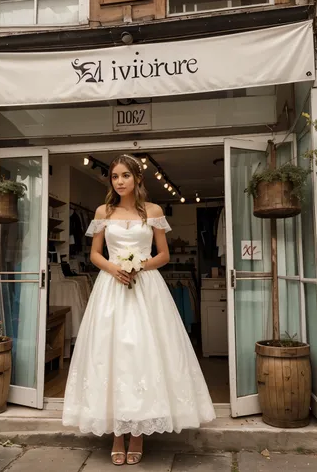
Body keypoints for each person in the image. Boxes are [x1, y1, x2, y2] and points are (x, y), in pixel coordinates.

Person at [62, 154, 215, 466]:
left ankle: (137, 435)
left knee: (143, 357)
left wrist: (138, 266)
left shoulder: (154, 211)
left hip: (146, 288)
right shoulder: (103, 211)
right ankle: (117, 435)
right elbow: (93, 254)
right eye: (115, 176)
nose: (119, 181)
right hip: (111, 288)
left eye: (125, 176)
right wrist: (116, 268)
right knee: (113, 356)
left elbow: (164, 254)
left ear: (138, 179)